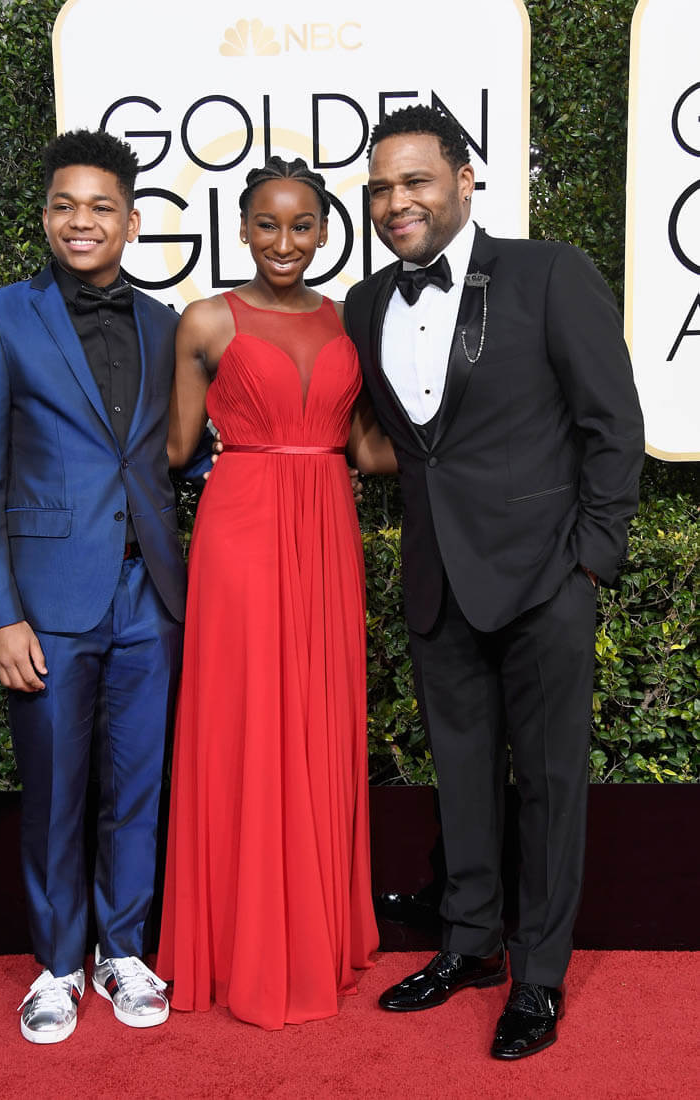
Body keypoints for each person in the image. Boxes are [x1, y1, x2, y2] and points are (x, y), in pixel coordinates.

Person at [343, 105, 644, 1059]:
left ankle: (538, 976)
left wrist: (590, 557)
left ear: (464, 181)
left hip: (545, 578)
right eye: (380, 188)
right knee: (462, 778)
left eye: (415, 181)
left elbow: (612, 424)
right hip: (438, 580)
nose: (396, 202)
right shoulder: (363, 303)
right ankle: (468, 945)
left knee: (549, 787)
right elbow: (404, 445)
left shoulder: (548, 272)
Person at [0, 130, 209, 1044]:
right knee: (57, 793)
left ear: (131, 222)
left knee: (137, 791)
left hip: (153, 596)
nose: (81, 221)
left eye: (101, 206)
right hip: (49, 603)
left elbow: (178, 453)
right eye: (65, 205)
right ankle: (59, 964)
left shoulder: (167, 323)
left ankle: (123, 950)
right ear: (45, 216)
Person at [156, 156, 394, 1030]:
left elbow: (366, 449)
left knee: (317, 718)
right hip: (242, 530)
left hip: (327, 529)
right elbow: (174, 448)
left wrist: (480, 437)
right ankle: (241, 940)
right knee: (249, 718)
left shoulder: (350, 321)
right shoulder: (205, 320)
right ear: (242, 228)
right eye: (266, 224)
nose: (283, 241)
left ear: (324, 232)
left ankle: (313, 931)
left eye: (300, 225)